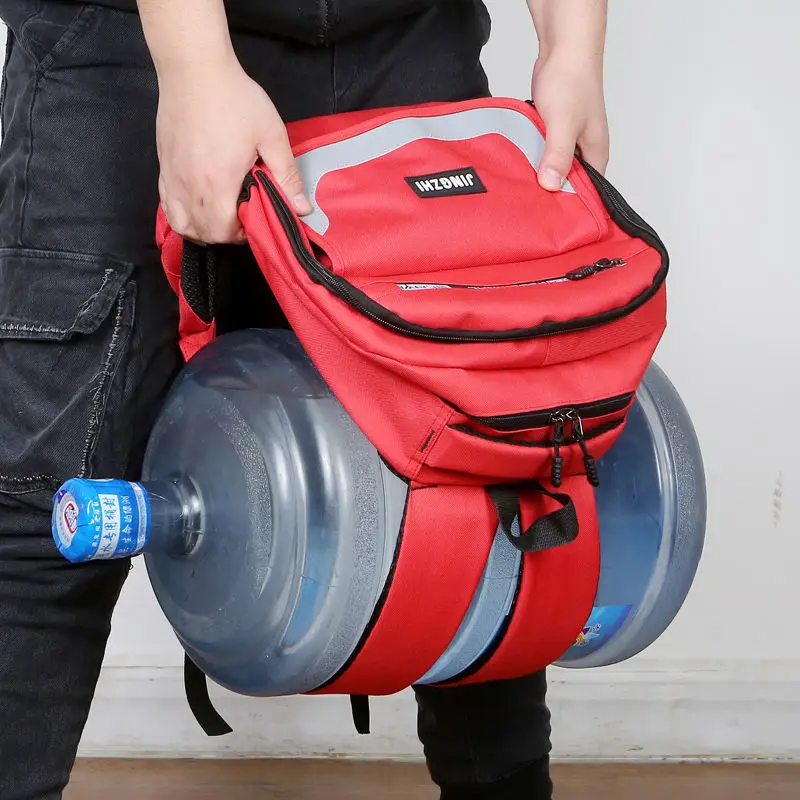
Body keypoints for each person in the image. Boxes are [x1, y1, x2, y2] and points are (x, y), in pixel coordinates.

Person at [0, 1, 609, 798]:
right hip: (123, 39)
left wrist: (573, 47)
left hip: (405, 30)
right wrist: (196, 68)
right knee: (52, 500)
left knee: (481, 459)